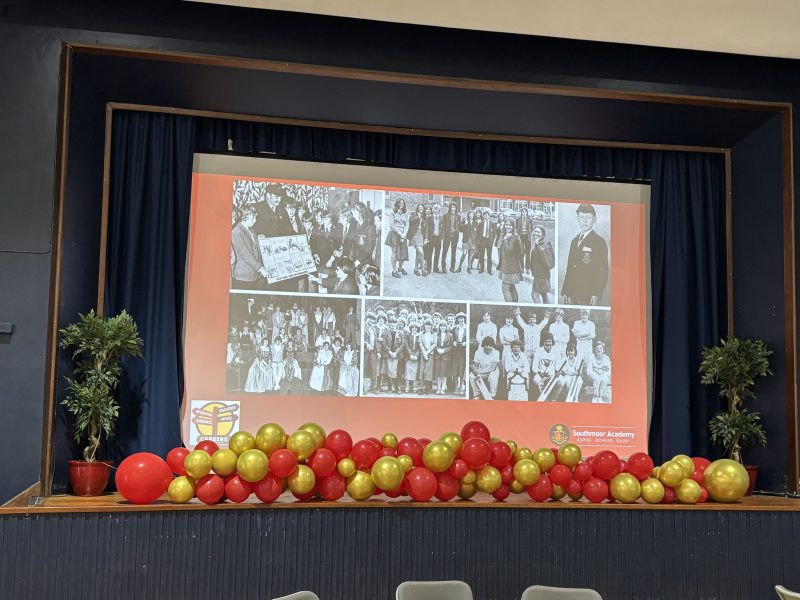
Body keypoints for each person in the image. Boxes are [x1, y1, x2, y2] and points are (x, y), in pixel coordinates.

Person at [560, 204, 610, 306]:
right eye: (581, 217)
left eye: (588, 217)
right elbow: (570, 267)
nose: (585, 221)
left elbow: (602, 270)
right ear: (578, 219)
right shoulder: (574, 241)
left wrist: (596, 294)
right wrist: (566, 290)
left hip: (588, 293)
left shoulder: (599, 241)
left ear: (594, 219)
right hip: (572, 292)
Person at [231, 207, 268, 289]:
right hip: (243, 276)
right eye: (252, 218)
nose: (255, 220)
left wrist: (260, 239)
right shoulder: (236, 232)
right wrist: (261, 268)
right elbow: (245, 254)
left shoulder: (251, 230)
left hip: (253, 275)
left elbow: (254, 247)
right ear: (244, 218)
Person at [497, 220, 523, 302]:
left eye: (510, 225)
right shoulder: (509, 235)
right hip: (507, 265)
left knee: (505, 288)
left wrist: (504, 240)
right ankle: (515, 307)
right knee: (511, 287)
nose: (508, 226)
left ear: (513, 227)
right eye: (506, 224)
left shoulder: (513, 237)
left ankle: (512, 309)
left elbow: (509, 251)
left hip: (510, 267)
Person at [531, 332, 558, 399]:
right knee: (536, 380)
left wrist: (552, 374)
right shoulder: (538, 350)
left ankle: (554, 398)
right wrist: (541, 372)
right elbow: (534, 367)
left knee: (562, 381)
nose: (548, 343)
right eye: (546, 341)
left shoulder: (556, 350)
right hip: (541, 373)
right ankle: (543, 399)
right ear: (543, 342)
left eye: (550, 341)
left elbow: (558, 366)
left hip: (552, 374)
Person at [386, 199, 409, 278]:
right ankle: (394, 270)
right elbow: (391, 225)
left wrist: (404, 234)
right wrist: (399, 233)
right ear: (397, 204)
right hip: (395, 234)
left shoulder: (405, 213)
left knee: (403, 252)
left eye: (402, 203)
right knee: (394, 252)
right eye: (399, 203)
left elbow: (407, 225)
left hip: (403, 234)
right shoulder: (392, 212)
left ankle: (400, 268)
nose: (401, 205)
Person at [433, 320, 453, 395]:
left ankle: (443, 388)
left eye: (444, 326)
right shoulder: (436, 335)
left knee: (444, 373)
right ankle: (438, 388)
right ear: (439, 327)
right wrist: (437, 349)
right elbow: (434, 344)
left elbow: (451, 346)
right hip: (438, 356)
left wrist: (444, 350)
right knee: (438, 373)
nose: (442, 327)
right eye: (441, 326)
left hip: (445, 356)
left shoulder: (450, 335)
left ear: (446, 327)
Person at [440, 202, 461, 273]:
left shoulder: (458, 216)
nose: (453, 209)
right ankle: (443, 267)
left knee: (453, 252)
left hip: (455, 236)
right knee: (444, 252)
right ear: (449, 208)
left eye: (454, 207)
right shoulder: (445, 215)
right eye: (451, 207)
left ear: (456, 208)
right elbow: (443, 227)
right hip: (447, 236)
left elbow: (460, 227)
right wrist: (443, 236)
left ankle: (452, 267)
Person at [407, 203, 426, 276]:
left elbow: (425, 226)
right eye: (419, 207)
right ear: (417, 208)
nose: (421, 208)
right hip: (414, 234)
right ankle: (423, 270)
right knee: (420, 252)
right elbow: (410, 221)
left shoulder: (424, 216)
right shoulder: (414, 214)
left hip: (421, 235)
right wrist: (418, 216)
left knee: (418, 253)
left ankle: (415, 269)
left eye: (422, 207)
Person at [451, 312, 468, 395]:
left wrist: (465, 343)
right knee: (455, 369)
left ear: (464, 319)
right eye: (459, 318)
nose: (461, 320)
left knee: (461, 368)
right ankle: (455, 387)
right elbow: (452, 338)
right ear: (457, 319)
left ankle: (461, 387)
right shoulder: (455, 328)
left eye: (462, 318)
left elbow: (468, 339)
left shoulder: (467, 328)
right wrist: (453, 342)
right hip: (455, 350)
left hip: (463, 351)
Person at [419, 318, 437, 394]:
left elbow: (434, 344)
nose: (428, 326)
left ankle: (428, 387)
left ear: (431, 326)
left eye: (429, 325)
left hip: (430, 354)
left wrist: (428, 352)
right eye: (427, 325)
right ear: (424, 325)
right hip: (423, 354)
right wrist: (424, 352)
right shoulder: (421, 333)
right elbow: (420, 343)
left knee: (428, 371)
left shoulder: (434, 334)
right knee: (422, 370)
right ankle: (422, 387)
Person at [403, 322, 422, 393]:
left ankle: (414, 386)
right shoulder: (408, 335)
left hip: (416, 355)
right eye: (413, 327)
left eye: (415, 328)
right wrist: (410, 354)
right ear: (411, 328)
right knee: (407, 370)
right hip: (408, 355)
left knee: (415, 371)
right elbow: (406, 345)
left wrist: (416, 355)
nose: (414, 329)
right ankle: (407, 386)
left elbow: (419, 347)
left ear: (417, 329)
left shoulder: (419, 336)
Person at [475, 210, 495, 274]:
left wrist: (492, 239)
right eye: (484, 216)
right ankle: (481, 269)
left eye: (487, 216)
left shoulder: (492, 223)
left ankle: (489, 270)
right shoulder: (481, 223)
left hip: (489, 241)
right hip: (482, 240)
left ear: (489, 216)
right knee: (481, 256)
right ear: (483, 216)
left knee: (489, 256)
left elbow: (494, 233)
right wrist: (478, 240)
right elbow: (478, 232)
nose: (486, 217)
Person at [426, 204, 444, 274]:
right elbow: (427, 228)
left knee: (437, 253)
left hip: (438, 238)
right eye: (435, 209)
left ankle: (435, 268)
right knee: (429, 253)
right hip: (431, 237)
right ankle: (428, 269)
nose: (436, 211)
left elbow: (442, 229)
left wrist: (442, 237)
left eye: (438, 210)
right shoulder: (429, 217)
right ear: (433, 210)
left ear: (439, 211)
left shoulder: (441, 218)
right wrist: (427, 238)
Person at [517, 207, 533, 274]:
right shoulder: (518, 219)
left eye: (525, 212)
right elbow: (516, 228)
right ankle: (522, 268)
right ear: (521, 213)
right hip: (521, 236)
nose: (524, 213)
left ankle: (527, 268)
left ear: (527, 213)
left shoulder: (529, 220)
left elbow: (531, 228)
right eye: (522, 212)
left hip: (527, 236)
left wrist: (529, 234)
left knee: (528, 252)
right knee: (521, 252)